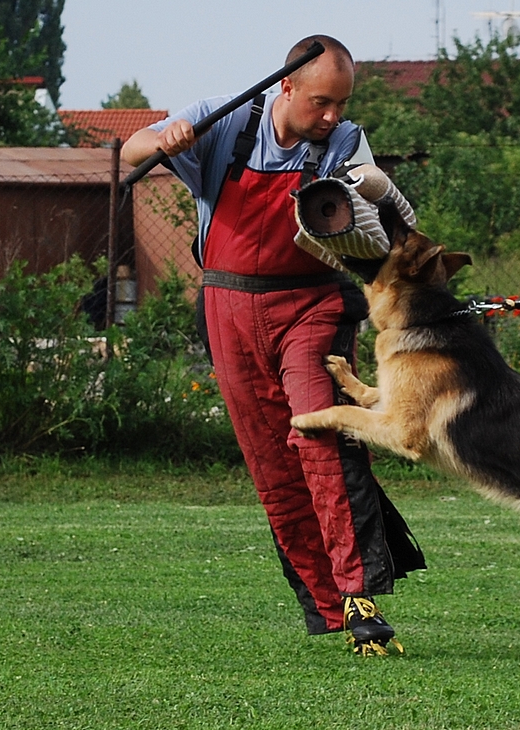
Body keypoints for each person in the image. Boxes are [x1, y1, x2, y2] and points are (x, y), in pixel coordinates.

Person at [121, 35, 422, 655]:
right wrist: (164, 139)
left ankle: (360, 595)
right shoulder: (227, 122)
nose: (333, 116)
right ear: (286, 86)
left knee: (322, 434)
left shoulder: (342, 141)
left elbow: (373, 189)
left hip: (311, 304)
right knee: (272, 464)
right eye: (321, 102)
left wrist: (371, 185)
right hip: (227, 306)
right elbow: (131, 151)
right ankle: (328, 606)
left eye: (341, 103)